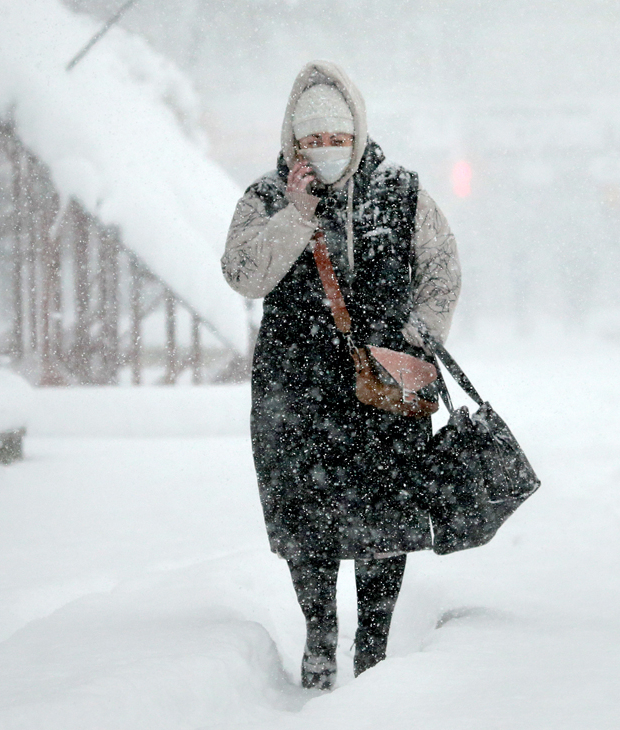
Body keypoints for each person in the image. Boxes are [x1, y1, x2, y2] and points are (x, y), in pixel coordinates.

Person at [221, 60, 462, 690]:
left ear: (357, 134)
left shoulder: (402, 192)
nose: (327, 151)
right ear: (293, 143)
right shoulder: (266, 199)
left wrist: (418, 343)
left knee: (386, 514)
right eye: (313, 140)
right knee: (307, 519)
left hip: (382, 387)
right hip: (294, 388)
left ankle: (374, 649)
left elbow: (442, 270)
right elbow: (243, 273)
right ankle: (321, 637)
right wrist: (297, 215)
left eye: (337, 138)